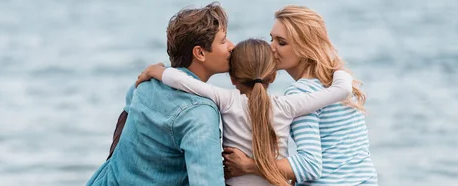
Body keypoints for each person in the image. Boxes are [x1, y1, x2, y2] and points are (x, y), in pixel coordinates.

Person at [136, 39, 353, 185]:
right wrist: (334, 63)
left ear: (232, 78)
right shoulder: (288, 105)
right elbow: (341, 89)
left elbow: (180, 80)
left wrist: (157, 71)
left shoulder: (227, 100)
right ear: (273, 76)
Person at [223, 5, 378, 185]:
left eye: (281, 43)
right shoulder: (337, 81)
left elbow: (309, 166)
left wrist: (249, 166)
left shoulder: (301, 92)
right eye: (271, 39)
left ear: (305, 47)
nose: (271, 47)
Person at [86, 2, 234, 185]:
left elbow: (126, 114)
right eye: (223, 40)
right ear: (200, 53)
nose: (231, 46)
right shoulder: (200, 114)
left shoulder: (146, 84)